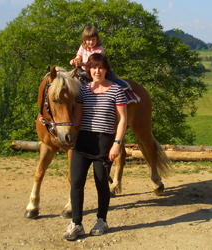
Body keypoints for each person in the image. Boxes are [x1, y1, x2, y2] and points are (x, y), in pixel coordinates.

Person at [63, 53, 127, 241]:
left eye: (100, 67)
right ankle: (76, 224)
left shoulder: (116, 90)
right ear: (89, 70)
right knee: (76, 183)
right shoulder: (84, 91)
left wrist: (117, 143)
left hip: (104, 143)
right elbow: (77, 118)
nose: (97, 71)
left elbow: (123, 119)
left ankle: (102, 220)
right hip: (83, 142)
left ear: (106, 69)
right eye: (93, 67)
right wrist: (61, 125)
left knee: (101, 184)